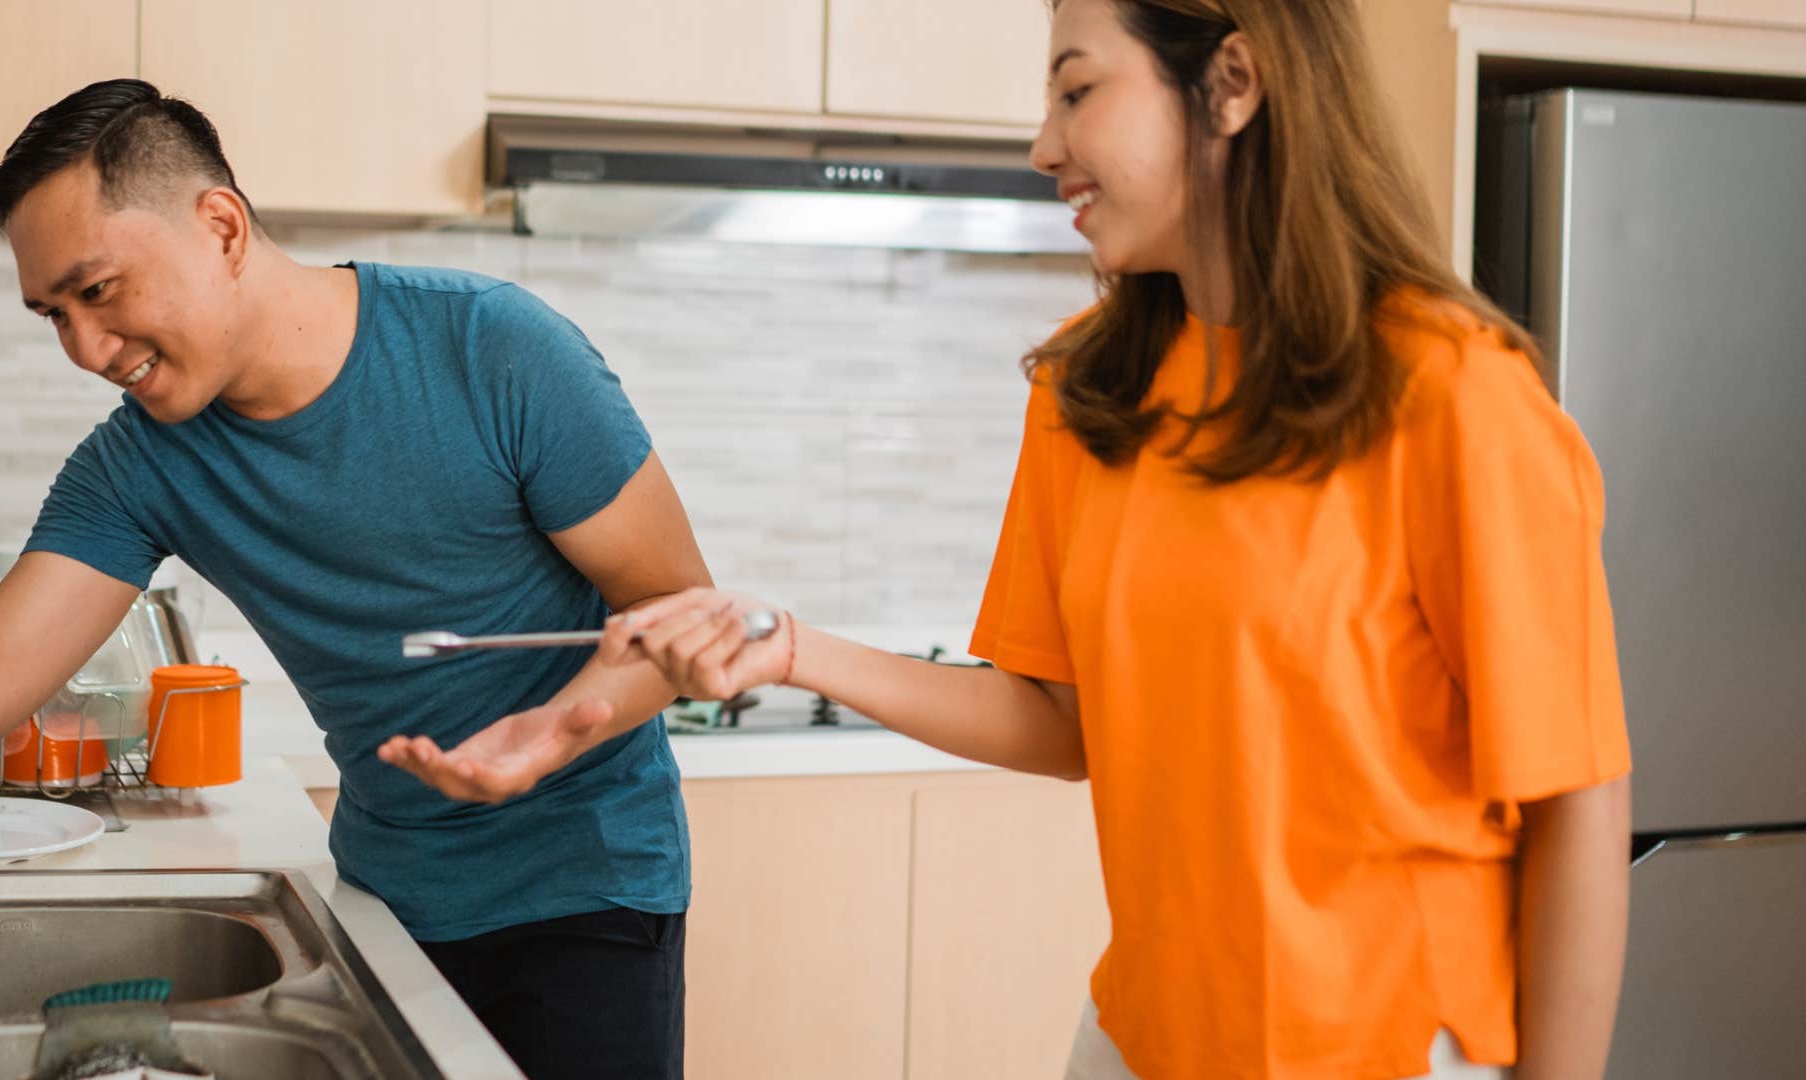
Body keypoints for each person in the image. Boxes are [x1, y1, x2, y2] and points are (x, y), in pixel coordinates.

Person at [477, 1, 1634, 1077]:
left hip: (1385, 1047)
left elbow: (1576, 801)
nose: (1043, 145)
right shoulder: (1094, 388)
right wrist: (790, 648)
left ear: (1233, 82)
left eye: (1077, 92)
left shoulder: (1449, 396)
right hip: (1137, 1039)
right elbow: (1058, 716)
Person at [0, 78, 708, 1079]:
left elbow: (677, 612)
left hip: (589, 896)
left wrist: (557, 730)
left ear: (222, 227)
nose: (86, 350)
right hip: (388, 896)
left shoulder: (494, 349)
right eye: (51, 315)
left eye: (96, 292)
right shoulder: (138, 465)